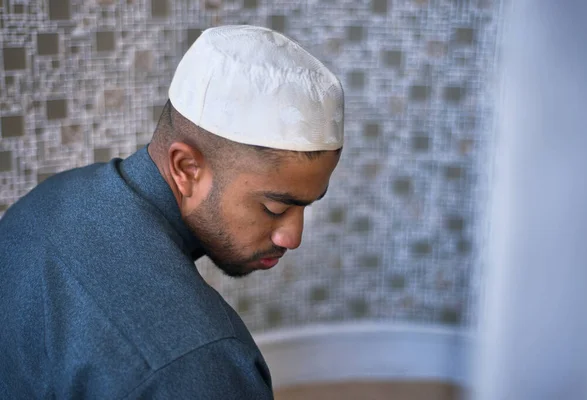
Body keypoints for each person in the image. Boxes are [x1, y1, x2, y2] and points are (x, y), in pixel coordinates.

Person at [0, 25, 344, 398]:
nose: (292, 238)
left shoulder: (50, 199)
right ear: (185, 169)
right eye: (274, 207)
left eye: (308, 205)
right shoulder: (194, 366)